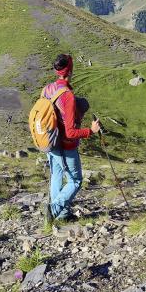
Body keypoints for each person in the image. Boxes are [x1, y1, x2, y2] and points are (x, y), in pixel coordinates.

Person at [42, 54, 100, 223]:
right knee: (75, 180)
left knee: (56, 176)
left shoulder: (47, 89)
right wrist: (91, 130)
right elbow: (70, 133)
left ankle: (61, 215)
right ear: (70, 70)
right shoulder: (67, 96)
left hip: (50, 142)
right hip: (66, 145)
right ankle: (54, 209)